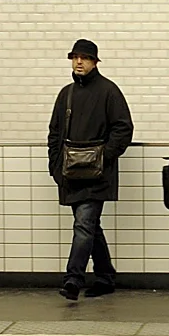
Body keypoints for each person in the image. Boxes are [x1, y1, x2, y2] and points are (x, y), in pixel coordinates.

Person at [48, 39, 134, 301]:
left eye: (84, 58)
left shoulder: (109, 91)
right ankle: (105, 276)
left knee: (83, 224)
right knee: (90, 227)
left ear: (95, 61)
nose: (79, 62)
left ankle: (73, 278)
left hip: (98, 175)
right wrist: (55, 167)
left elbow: (123, 128)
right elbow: (54, 133)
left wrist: (103, 158)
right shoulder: (67, 94)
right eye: (75, 57)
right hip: (71, 173)